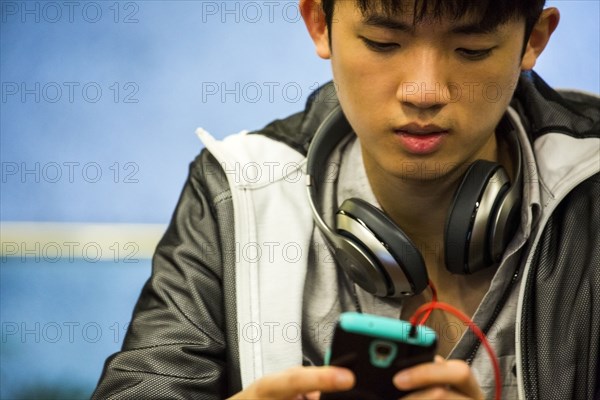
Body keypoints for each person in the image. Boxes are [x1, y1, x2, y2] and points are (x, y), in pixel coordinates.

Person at [93, 0, 600, 398]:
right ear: (319, 22)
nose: (423, 91)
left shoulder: (591, 189)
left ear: (534, 39)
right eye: (383, 42)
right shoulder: (240, 189)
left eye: (471, 49)